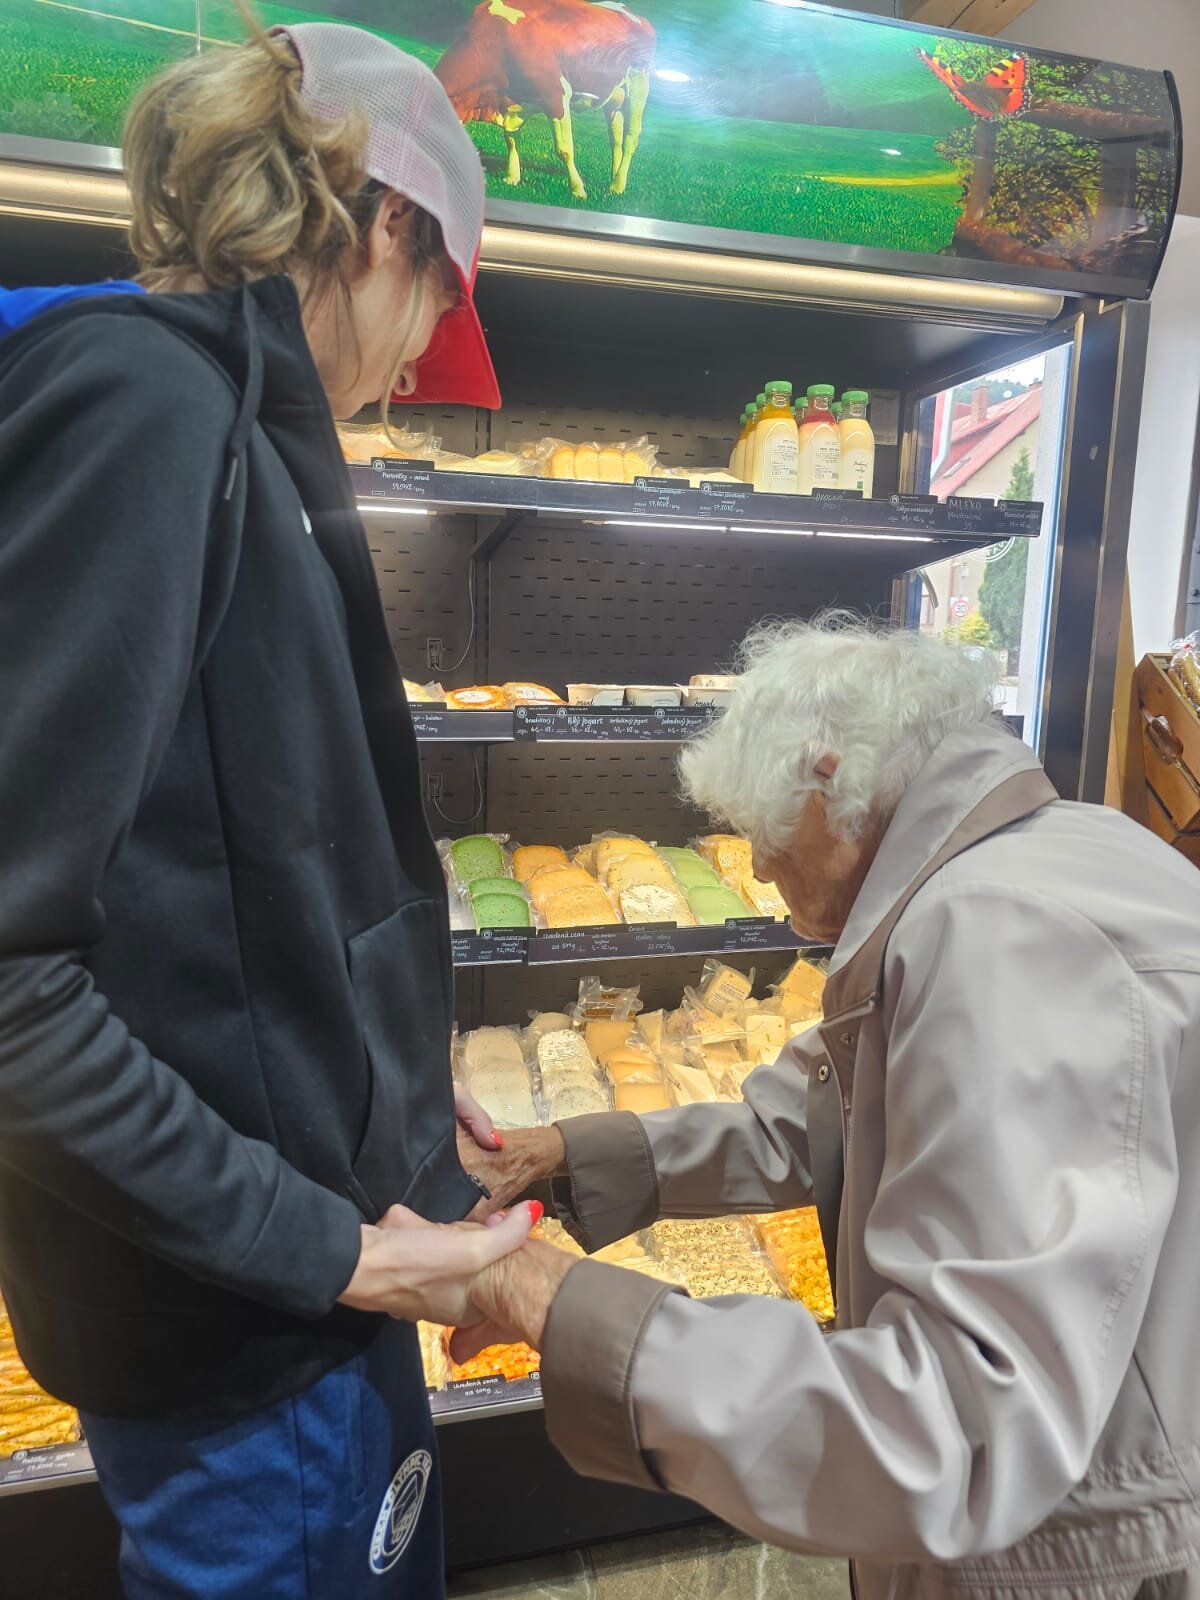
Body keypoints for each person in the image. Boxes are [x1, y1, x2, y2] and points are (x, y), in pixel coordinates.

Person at [0, 20, 538, 1599]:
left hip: (299, 1295)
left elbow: (219, 885)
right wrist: (337, 1249)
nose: (418, 363)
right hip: (248, 1337)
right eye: (440, 301)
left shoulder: (222, 416)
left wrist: (392, 1103)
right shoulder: (144, 407)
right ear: (384, 225)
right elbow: (12, 972)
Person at [459, 618, 1200, 1600]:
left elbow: (958, 1425)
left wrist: (554, 1301)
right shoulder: (1057, 855)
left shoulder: (998, 935)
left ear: (828, 778)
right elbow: (803, 1119)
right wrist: (556, 1150)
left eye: (761, 830)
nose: (759, 870)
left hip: (1075, 1558)